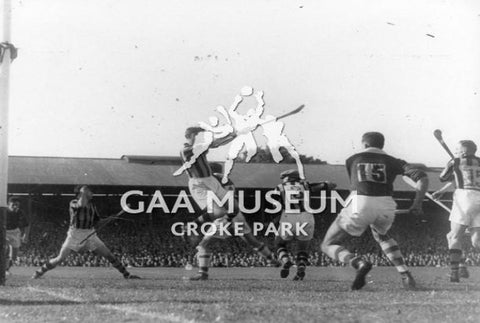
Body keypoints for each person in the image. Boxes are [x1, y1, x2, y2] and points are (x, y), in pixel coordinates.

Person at [321, 132, 428, 290]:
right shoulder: (394, 161)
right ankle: (405, 274)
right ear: (382, 145)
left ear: (364, 144)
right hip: (386, 204)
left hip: (360, 202)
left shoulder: (352, 159)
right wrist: (417, 204)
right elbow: (423, 178)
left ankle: (358, 262)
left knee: (327, 244)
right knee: (383, 236)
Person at [187, 163, 276, 280]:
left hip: (224, 213)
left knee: (203, 245)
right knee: (252, 241)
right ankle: (273, 260)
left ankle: (203, 273)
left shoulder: (211, 179)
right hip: (236, 213)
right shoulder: (227, 180)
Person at [32, 185, 140, 279]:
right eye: (89, 191)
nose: (92, 193)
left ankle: (127, 274)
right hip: (74, 234)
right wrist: (83, 190)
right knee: (60, 259)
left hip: (90, 233)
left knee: (109, 255)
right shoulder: (73, 203)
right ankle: (39, 272)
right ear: (81, 193)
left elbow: (98, 222)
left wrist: (112, 217)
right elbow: (81, 205)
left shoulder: (92, 206)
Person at [273, 170, 335, 280]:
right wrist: (324, 183)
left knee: (279, 243)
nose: (283, 180)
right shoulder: (305, 185)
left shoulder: (280, 187)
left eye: (284, 178)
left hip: (289, 216)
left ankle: (286, 261)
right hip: (306, 216)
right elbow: (330, 185)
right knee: (303, 248)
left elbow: (274, 206)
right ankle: (301, 267)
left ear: (288, 178)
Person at [437, 140, 480, 282]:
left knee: (454, 237)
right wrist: (441, 191)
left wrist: (451, 163)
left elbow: (442, 177)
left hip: (464, 197)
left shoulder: (455, 161)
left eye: (458, 149)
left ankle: (455, 272)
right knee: (476, 241)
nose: (455, 151)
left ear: (464, 151)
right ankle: (461, 266)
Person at [5, 196, 29, 275]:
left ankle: (6, 269)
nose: (15, 207)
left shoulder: (20, 212)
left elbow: (27, 225)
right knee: (6, 247)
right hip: (4, 231)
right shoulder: (3, 211)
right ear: (8, 204)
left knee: (14, 256)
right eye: (13, 205)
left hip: (15, 232)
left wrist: (25, 235)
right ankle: (3, 269)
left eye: (17, 205)